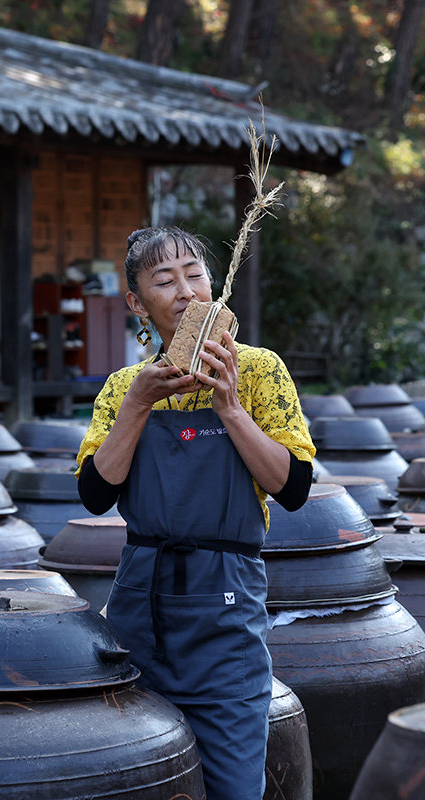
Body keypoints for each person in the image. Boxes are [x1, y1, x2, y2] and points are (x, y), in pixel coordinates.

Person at [75, 227, 315, 800]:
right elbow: (94, 494)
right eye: (164, 280)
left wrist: (230, 408)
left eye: (195, 274)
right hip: (141, 601)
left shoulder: (258, 370)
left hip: (224, 606)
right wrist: (138, 404)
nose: (186, 291)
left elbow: (294, 488)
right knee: (142, 778)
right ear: (136, 303)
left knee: (233, 783)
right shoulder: (123, 387)